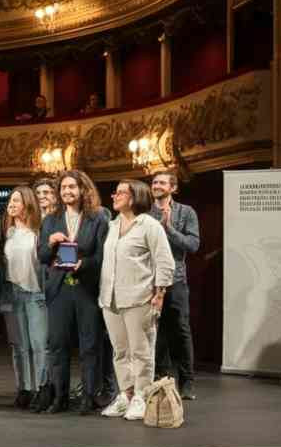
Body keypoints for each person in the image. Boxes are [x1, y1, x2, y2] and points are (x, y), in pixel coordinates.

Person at [98, 179, 175, 421]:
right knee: (120, 351)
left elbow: (164, 261)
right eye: (116, 192)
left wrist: (160, 292)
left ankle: (142, 396)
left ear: (134, 198)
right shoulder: (112, 225)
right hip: (110, 298)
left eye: (121, 193)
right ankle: (126, 394)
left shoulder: (149, 225)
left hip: (138, 297)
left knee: (140, 351)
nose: (115, 196)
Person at [38, 169, 109, 414]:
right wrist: (50, 243)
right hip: (59, 288)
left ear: (82, 190)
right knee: (58, 345)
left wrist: (84, 264)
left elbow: (102, 254)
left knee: (89, 346)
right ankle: (60, 397)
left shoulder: (98, 216)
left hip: (86, 287)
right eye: (63, 188)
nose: (67, 191)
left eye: (72, 187)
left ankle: (89, 397)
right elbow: (42, 256)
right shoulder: (50, 220)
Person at [149, 170, 200, 400]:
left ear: (173, 187)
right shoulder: (145, 211)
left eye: (162, 182)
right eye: (154, 182)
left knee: (180, 330)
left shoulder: (186, 212)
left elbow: (193, 245)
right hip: (150, 280)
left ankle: (187, 381)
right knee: (155, 331)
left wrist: (168, 228)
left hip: (176, 280)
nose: (157, 185)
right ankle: (160, 378)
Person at [0, 186, 48, 410]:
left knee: (38, 345)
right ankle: (24, 388)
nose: (12, 204)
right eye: (10, 200)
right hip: (12, 294)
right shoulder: (7, 233)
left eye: (16, 200)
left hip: (35, 294)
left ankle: (42, 388)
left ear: (27, 204)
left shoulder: (39, 232)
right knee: (19, 346)